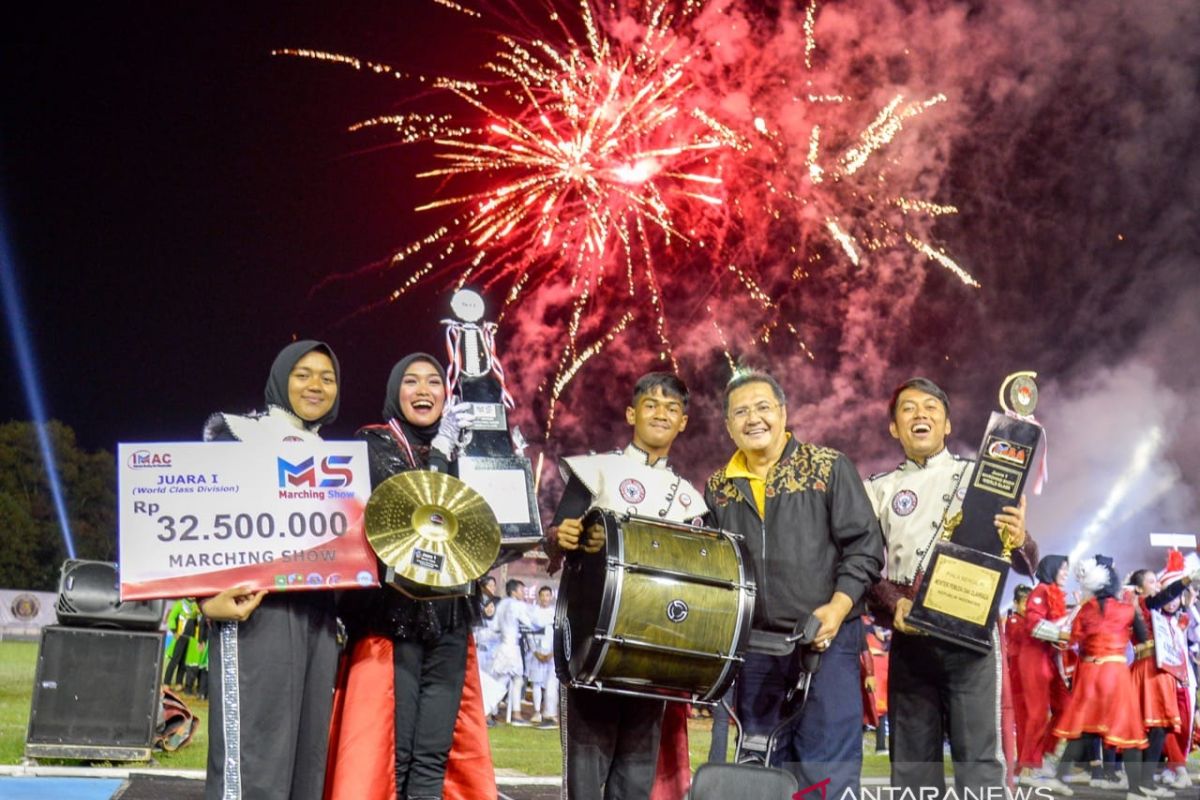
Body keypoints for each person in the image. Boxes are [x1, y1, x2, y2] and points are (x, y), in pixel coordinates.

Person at [704, 368, 884, 797]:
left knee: (826, 767)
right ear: (729, 426)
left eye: (763, 407)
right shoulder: (718, 488)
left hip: (827, 641)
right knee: (761, 763)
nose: (754, 419)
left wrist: (837, 609)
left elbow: (866, 547)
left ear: (784, 413)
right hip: (756, 651)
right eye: (741, 412)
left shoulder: (828, 467)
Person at [325, 352, 495, 800]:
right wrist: (440, 453)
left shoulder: (465, 449)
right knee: (395, 751)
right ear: (394, 392)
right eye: (411, 382)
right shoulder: (374, 443)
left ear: (447, 393)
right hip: (392, 619)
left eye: (434, 382)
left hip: (450, 618)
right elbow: (410, 510)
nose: (424, 391)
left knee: (434, 753)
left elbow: (485, 530)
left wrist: (494, 457)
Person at [865, 377, 1039, 794]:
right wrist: (893, 605)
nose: (920, 415)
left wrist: (1021, 537)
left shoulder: (982, 476)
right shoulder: (877, 489)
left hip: (973, 635)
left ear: (947, 425)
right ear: (894, 427)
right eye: (908, 409)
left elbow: (1027, 562)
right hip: (911, 634)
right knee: (911, 760)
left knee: (978, 757)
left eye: (931, 407)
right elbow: (865, 567)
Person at [548, 371, 707, 800]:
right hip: (590, 647)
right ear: (631, 413)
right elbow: (558, 538)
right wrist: (564, 537)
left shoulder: (691, 499)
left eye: (672, 408)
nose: (661, 414)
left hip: (651, 654)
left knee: (636, 782)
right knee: (584, 780)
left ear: (683, 423)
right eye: (651, 405)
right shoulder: (596, 470)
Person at [200, 339, 341, 800]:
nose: (316, 385)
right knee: (256, 760)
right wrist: (204, 599)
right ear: (281, 379)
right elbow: (196, 524)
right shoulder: (239, 432)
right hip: (256, 613)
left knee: (306, 763)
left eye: (327, 376)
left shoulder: (333, 457)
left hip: (316, 619)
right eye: (303, 374)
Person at [1051, 557, 1153, 796]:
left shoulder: (1086, 609)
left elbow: (1074, 640)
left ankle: (1059, 779)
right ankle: (1135, 790)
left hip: (1090, 676)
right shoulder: (1127, 610)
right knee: (1129, 733)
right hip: (1116, 674)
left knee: (1083, 730)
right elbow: (1143, 639)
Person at [1017, 556, 1072, 780]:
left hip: (1051, 658)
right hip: (1034, 657)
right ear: (1051, 569)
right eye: (1063, 569)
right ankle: (1029, 768)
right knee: (1037, 714)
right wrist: (1065, 634)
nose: (1066, 573)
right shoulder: (1041, 590)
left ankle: (1046, 756)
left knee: (1067, 708)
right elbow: (1033, 624)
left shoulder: (1055, 593)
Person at [493, 578, 533, 725]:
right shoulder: (517, 605)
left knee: (508, 680)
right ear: (514, 591)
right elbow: (530, 623)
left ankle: (506, 712)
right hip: (511, 648)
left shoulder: (502, 604)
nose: (523, 593)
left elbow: (495, 626)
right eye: (522, 590)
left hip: (502, 646)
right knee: (510, 681)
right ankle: (494, 712)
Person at [526, 585, 559, 728]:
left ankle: (550, 713)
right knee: (537, 683)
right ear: (538, 597)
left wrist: (552, 653)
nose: (545, 598)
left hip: (552, 655)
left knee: (552, 684)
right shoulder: (533, 612)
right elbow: (529, 633)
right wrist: (535, 652)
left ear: (551, 597)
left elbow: (558, 635)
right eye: (543, 595)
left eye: (547, 595)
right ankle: (537, 712)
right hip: (537, 654)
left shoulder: (555, 614)